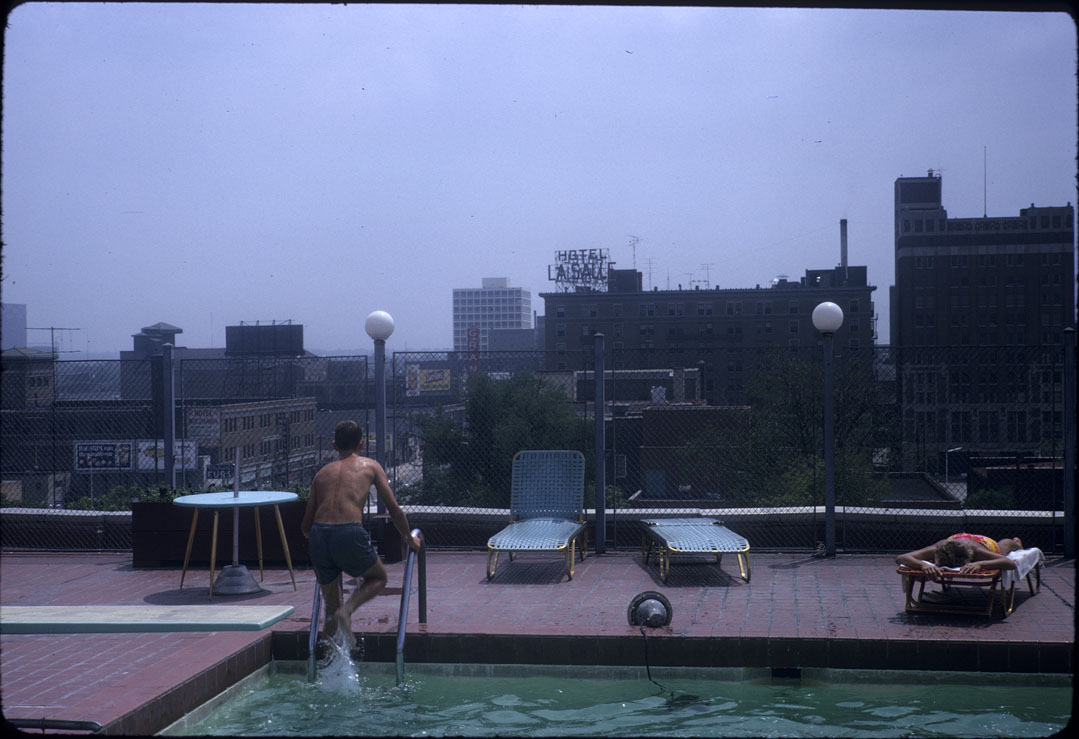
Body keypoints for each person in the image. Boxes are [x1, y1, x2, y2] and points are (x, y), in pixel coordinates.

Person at [301, 420, 421, 648]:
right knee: (378, 578)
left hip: (318, 535)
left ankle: (328, 662)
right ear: (362, 444)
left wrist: (323, 544)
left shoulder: (321, 474)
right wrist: (409, 538)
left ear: (334, 445)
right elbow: (394, 509)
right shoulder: (371, 466)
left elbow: (306, 525)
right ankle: (348, 610)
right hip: (348, 531)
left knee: (330, 609)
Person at [896, 533, 1023, 581]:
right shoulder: (937, 548)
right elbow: (902, 557)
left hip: (983, 543)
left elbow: (1010, 563)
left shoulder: (976, 552)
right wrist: (922, 564)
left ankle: (1016, 544)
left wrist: (981, 564)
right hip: (958, 538)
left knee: (1003, 546)